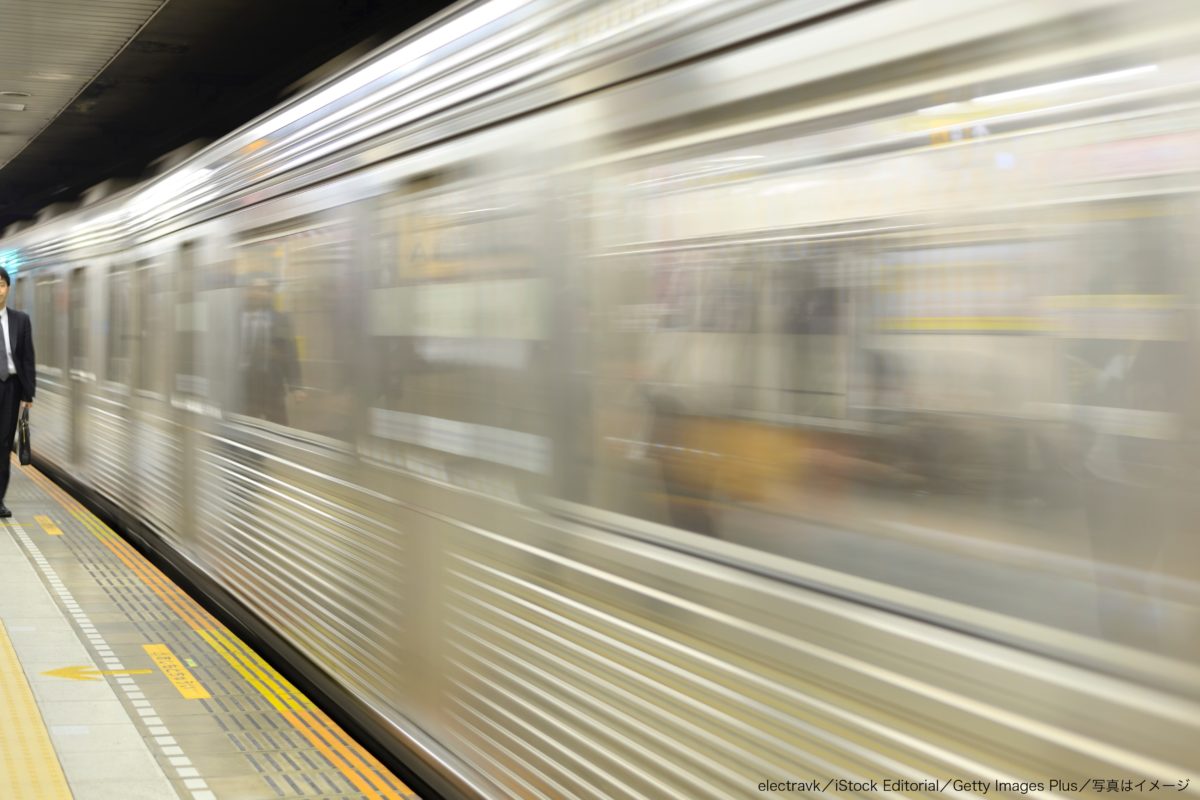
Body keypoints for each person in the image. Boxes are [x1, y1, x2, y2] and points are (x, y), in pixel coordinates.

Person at [238, 277, 302, 424]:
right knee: (246, 427)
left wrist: (296, 386)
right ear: (247, 291)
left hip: (272, 384)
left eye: (266, 290)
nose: (261, 293)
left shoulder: (281, 319)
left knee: (277, 427)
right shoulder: (234, 317)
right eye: (256, 289)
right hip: (243, 385)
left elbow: (290, 353)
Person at [0, 267, 34, 517]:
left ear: (8, 289)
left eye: (1, 284)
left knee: (3, 445)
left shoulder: (20, 320)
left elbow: (27, 358)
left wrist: (28, 394)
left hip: (11, 387)